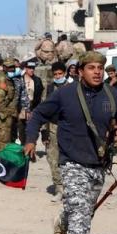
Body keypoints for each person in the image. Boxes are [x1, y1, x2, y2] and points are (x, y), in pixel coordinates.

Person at [24, 51, 117, 234]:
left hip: (99, 164)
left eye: (99, 68)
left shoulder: (112, 95)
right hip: (71, 162)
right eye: (91, 67)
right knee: (81, 211)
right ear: (80, 71)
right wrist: (30, 140)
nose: (96, 72)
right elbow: (38, 114)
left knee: (83, 210)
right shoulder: (65, 94)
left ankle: (61, 221)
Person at [42, 62, 68, 202]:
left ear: (65, 73)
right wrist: (44, 131)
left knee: (70, 160)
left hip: (69, 128)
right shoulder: (49, 88)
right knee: (53, 158)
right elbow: (44, 108)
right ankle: (59, 188)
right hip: (52, 126)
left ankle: (70, 188)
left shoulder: (73, 87)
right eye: (56, 74)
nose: (58, 76)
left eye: (60, 74)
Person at [0, 58, 19, 151]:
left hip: (9, 116)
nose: (13, 69)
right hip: (3, 117)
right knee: (3, 143)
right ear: (4, 67)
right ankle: (0, 163)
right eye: (10, 67)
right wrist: (6, 115)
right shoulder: (1, 79)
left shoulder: (8, 78)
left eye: (13, 67)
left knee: (10, 141)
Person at [17, 61, 43, 144]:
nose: (32, 70)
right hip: (21, 110)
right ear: (25, 69)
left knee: (32, 134)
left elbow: (39, 96)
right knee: (22, 134)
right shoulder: (19, 79)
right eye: (30, 68)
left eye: (33, 68)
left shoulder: (37, 80)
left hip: (32, 109)